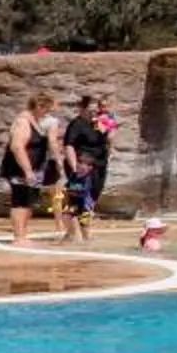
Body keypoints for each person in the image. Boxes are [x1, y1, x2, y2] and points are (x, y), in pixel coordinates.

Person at [0, 92, 55, 245]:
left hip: (34, 169)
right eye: (46, 109)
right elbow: (17, 147)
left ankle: (23, 234)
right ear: (38, 106)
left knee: (29, 202)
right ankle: (18, 236)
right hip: (20, 169)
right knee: (20, 201)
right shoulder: (23, 121)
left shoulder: (34, 121)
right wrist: (28, 170)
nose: (47, 113)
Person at [59, 94, 114, 245]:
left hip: (99, 166)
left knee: (91, 200)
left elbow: (109, 141)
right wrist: (75, 167)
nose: (95, 111)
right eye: (91, 108)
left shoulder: (100, 123)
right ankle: (73, 232)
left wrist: (109, 126)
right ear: (82, 108)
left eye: (97, 109)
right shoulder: (77, 124)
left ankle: (85, 232)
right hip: (81, 166)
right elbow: (69, 145)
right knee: (75, 198)